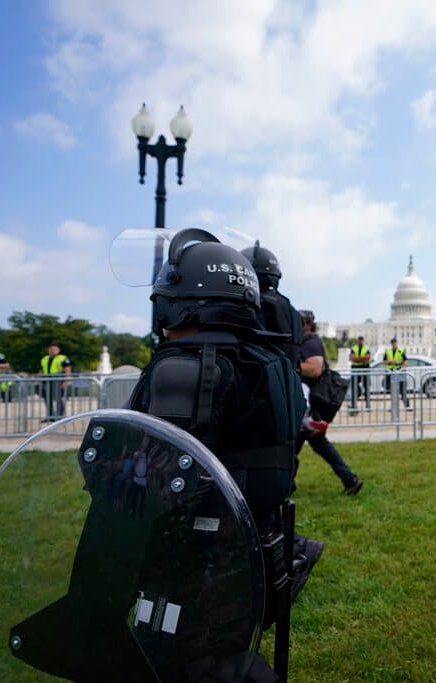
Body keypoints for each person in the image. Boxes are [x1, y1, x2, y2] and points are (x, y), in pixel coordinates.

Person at [125, 228, 306, 680]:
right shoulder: (267, 361)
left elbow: (163, 474)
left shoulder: (187, 367)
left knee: (175, 663)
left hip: (194, 558)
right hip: (256, 545)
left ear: (183, 302)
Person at [242, 241, 324, 598]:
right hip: (287, 393)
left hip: (259, 393)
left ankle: (282, 562)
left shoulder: (254, 306)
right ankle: (284, 552)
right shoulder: (290, 309)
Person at [299, 310, 364, 494]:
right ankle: (350, 479)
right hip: (310, 404)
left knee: (291, 446)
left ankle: (284, 488)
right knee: (318, 444)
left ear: (308, 324)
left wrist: (292, 366)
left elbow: (315, 369)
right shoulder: (307, 342)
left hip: (311, 404)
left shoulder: (311, 343)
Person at [39, 342, 71, 422]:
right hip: (46, 381)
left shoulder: (63, 358)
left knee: (58, 398)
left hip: (58, 381)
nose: (52, 351)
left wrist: (65, 381)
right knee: (47, 398)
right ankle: (50, 416)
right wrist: (39, 379)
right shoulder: (44, 359)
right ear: (48, 350)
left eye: (54, 349)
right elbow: (41, 370)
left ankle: (60, 416)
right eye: (51, 349)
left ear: (59, 350)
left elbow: (67, 370)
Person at [383, 336, 411, 410]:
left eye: (395, 342)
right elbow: (384, 361)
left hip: (399, 373)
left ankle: (407, 406)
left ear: (397, 343)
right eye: (392, 343)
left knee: (402, 391)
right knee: (393, 392)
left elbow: (406, 361)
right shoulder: (388, 352)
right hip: (391, 373)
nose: (394, 344)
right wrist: (390, 361)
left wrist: (401, 367)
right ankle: (393, 407)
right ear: (391, 343)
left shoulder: (401, 351)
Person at [349, 334, 372, 413]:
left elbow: (368, 358)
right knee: (354, 387)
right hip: (356, 369)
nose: (360, 341)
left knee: (367, 388)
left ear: (363, 341)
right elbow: (352, 358)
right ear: (357, 340)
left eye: (361, 340)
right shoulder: (354, 348)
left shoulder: (366, 348)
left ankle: (368, 405)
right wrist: (362, 359)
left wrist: (357, 359)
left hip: (365, 369)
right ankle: (353, 405)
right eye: (359, 340)